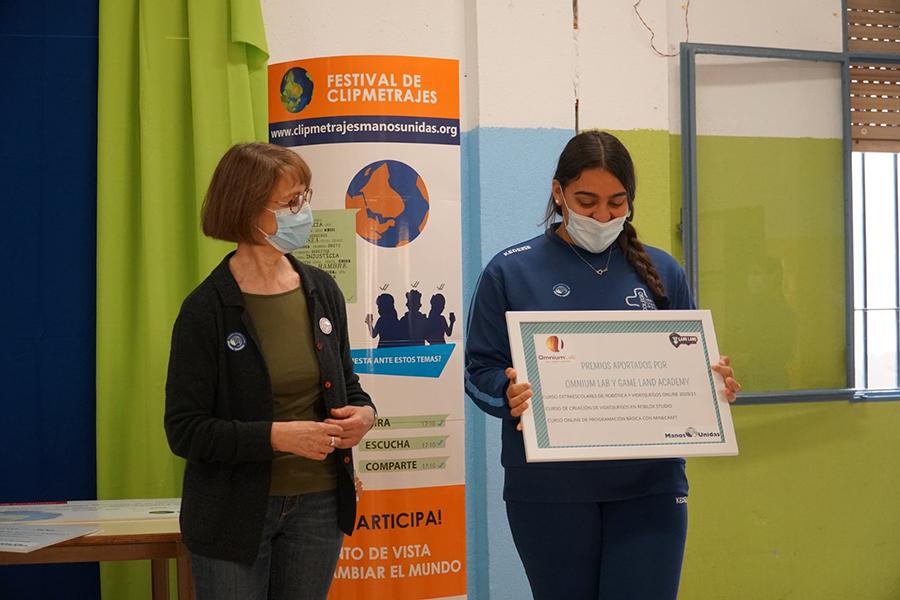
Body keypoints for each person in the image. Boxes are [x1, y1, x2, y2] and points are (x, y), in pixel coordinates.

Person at [464, 130, 741, 600]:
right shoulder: (509, 271)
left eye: (616, 203)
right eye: (586, 201)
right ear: (559, 193)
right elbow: (479, 371)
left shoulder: (663, 270)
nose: (602, 216)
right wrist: (506, 392)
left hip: (650, 488)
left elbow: (690, 364)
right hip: (549, 492)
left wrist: (713, 386)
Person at [164, 142, 376, 600]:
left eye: (304, 197)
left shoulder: (321, 289)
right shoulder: (205, 310)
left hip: (319, 506)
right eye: (290, 202)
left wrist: (364, 415)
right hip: (233, 514)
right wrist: (276, 436)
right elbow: (185, 431)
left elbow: (349, 385)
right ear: (246, 210)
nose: (304, 211)